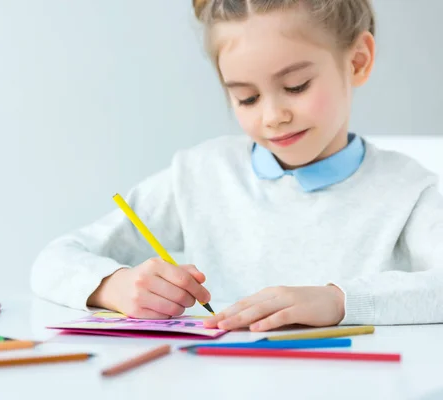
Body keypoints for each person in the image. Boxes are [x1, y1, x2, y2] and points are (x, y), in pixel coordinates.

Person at [30, 0, 443, 332]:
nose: (273, 115)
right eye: (246, 97)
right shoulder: (199, 176)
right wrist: (114, 287)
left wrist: (338, 301)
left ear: (357, 62)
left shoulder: (409, 191)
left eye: (296, 86)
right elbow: (54, 260)